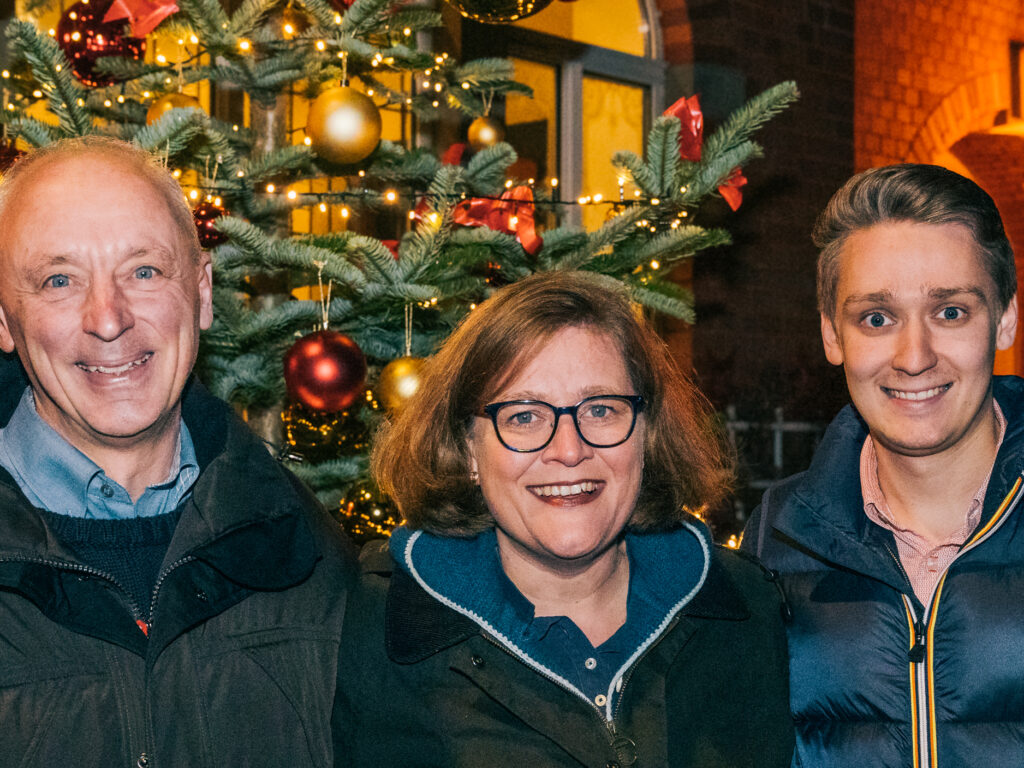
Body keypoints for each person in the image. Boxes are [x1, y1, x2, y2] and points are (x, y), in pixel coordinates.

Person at [335, 270, 794, 767]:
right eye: (524, 416)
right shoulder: (370, 624)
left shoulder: (746, 608)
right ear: (468, 449)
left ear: (647, 434)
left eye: (600, 410)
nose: (569, 450)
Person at [0, 136, 355, 766]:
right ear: (3, 320)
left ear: (202, 293)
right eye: (59, 280)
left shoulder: (307, 549)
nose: (108, 319)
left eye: (144, 271)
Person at [742, 163, 1023, 767]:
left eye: (950, 312)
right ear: (831, 334)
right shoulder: (779, 535)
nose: (914, 357)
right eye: (877, 318)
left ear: (1005, 317)